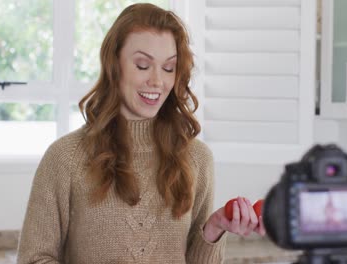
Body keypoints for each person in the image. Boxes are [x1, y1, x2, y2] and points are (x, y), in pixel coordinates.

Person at [16, 3, 265, 264]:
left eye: (169, 68)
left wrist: (215, 227)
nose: (157, 81)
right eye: (143, 65)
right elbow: (34, 258)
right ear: (115, 66)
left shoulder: (197, 159)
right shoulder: (65, 158)